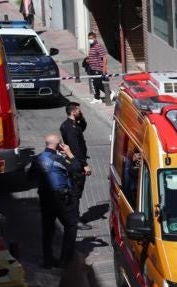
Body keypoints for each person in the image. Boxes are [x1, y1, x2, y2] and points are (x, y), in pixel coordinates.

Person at [29, 134, 81, 268]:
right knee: (70, 226)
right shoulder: (58, 159)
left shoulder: (38, 159)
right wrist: (70, 154)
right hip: (61, 199)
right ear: (58, 145)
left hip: (45, 198)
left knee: (47, 229)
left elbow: (29, 176)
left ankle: (48, 260)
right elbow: (76, 168)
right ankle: (65, 259)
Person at [59, 102, 93, 230]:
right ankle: (74, 219)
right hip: (76, 163)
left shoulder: (74, 125)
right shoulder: (69, 128)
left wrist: (81, 117)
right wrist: (84, 165)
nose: (80, 112)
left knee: (77, 192)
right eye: (79, 110)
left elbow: (83, 126)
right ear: (73, 112)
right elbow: (75, 148)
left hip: (77, 162)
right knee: (75, 192)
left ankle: (76, 216)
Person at [84, 33, 108, 103]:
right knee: (94, 84)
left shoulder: (97, 46)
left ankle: (109, 93)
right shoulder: (92, 45)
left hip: (98, 68)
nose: (90, 40)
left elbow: (104, 57)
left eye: (91, 38)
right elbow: (94, 56)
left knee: (98, 83)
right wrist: (89, 60)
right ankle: (97, 98)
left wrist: (104, 69)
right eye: (89, 38)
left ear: (95, 38)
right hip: (92, 68)